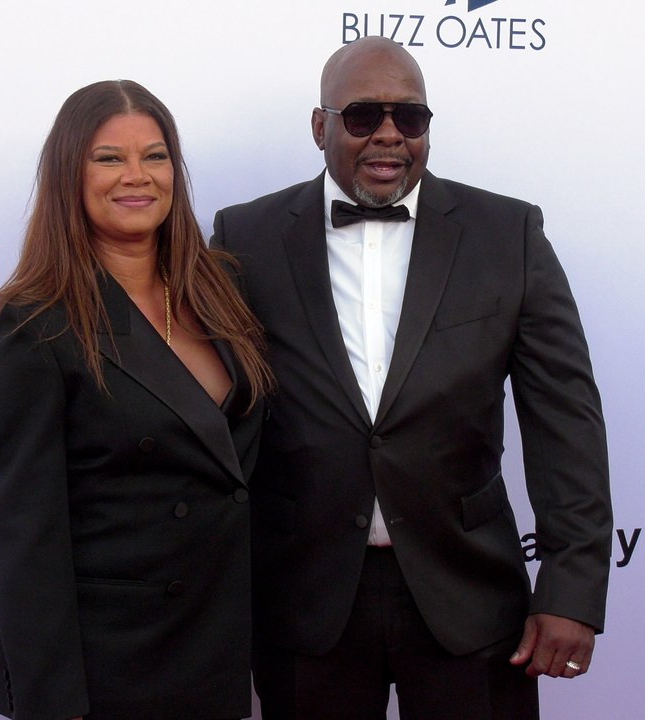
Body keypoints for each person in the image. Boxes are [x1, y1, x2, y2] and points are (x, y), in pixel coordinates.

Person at [210, 37, 612, 720]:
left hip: (470, 595)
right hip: (305, 598)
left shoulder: (507, 234)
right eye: (363, 115)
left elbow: (565, 421)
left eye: (411, 116)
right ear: (320, 127)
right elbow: (217, 416)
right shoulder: (245, 237)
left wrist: (572, 589)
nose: (390, 134)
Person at [0, 79, 273, 720]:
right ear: (69, 175)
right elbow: (26, 533)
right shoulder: (29, 322)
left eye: (155, 156)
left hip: (218, 640)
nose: (137, 176)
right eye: (109, 158)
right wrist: (54, 704)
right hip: (111, 660)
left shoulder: (223, 287)